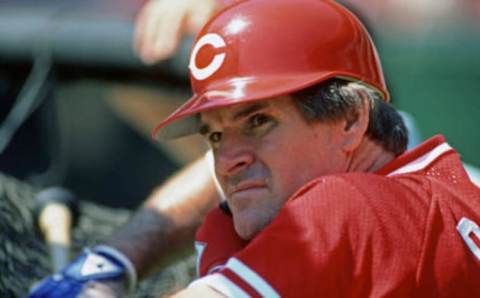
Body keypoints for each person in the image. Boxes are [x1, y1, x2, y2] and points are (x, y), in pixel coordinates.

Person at [30, 0, 480, 297]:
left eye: (259, 121)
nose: (226, 161)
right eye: (215, 135)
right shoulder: (437, 190)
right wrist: (117, 260)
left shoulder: (346, 209)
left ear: (351, 118)